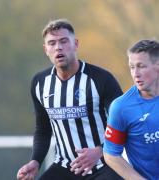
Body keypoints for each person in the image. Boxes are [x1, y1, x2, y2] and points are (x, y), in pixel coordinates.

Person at [17, 18, 123, 180]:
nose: (58, 47)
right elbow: (43, 129)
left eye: (64, 41)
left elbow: (124, 123)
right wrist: (36, 161)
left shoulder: (101, 79)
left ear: (76, 44)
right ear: (46, 49)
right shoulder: (40, 83)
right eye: (52, 43)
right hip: (65, 167)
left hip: (103, 165)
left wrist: (100, 151)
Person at [103, 39, 159, 180]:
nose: (135, 73)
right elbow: (111, 154)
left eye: (141, 66)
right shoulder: (121, 107)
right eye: (132, 67)